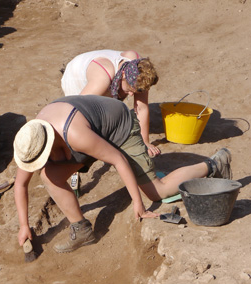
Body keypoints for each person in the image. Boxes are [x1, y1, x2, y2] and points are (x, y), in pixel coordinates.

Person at [13, 94, 231, 253]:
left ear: (49, 144)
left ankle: (213, 165)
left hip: (118, 127)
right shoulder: (31, 140)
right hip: (90, 129)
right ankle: (82, 230)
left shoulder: (76, 135)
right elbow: (20, 185)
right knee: (49, 175)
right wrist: (24, 226)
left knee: (157, 192)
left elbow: (118, 159)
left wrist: (139, 204)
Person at [61, 49, 160, 157]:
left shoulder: (139, 71)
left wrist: (144, 142)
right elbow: (76, 108)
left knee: (111, 106)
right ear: (123, 75)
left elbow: (141, 108)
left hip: (101, 72)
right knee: (87, 117)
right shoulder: (101, 80)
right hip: (76, 75)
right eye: (130, 90)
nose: (131, 94)